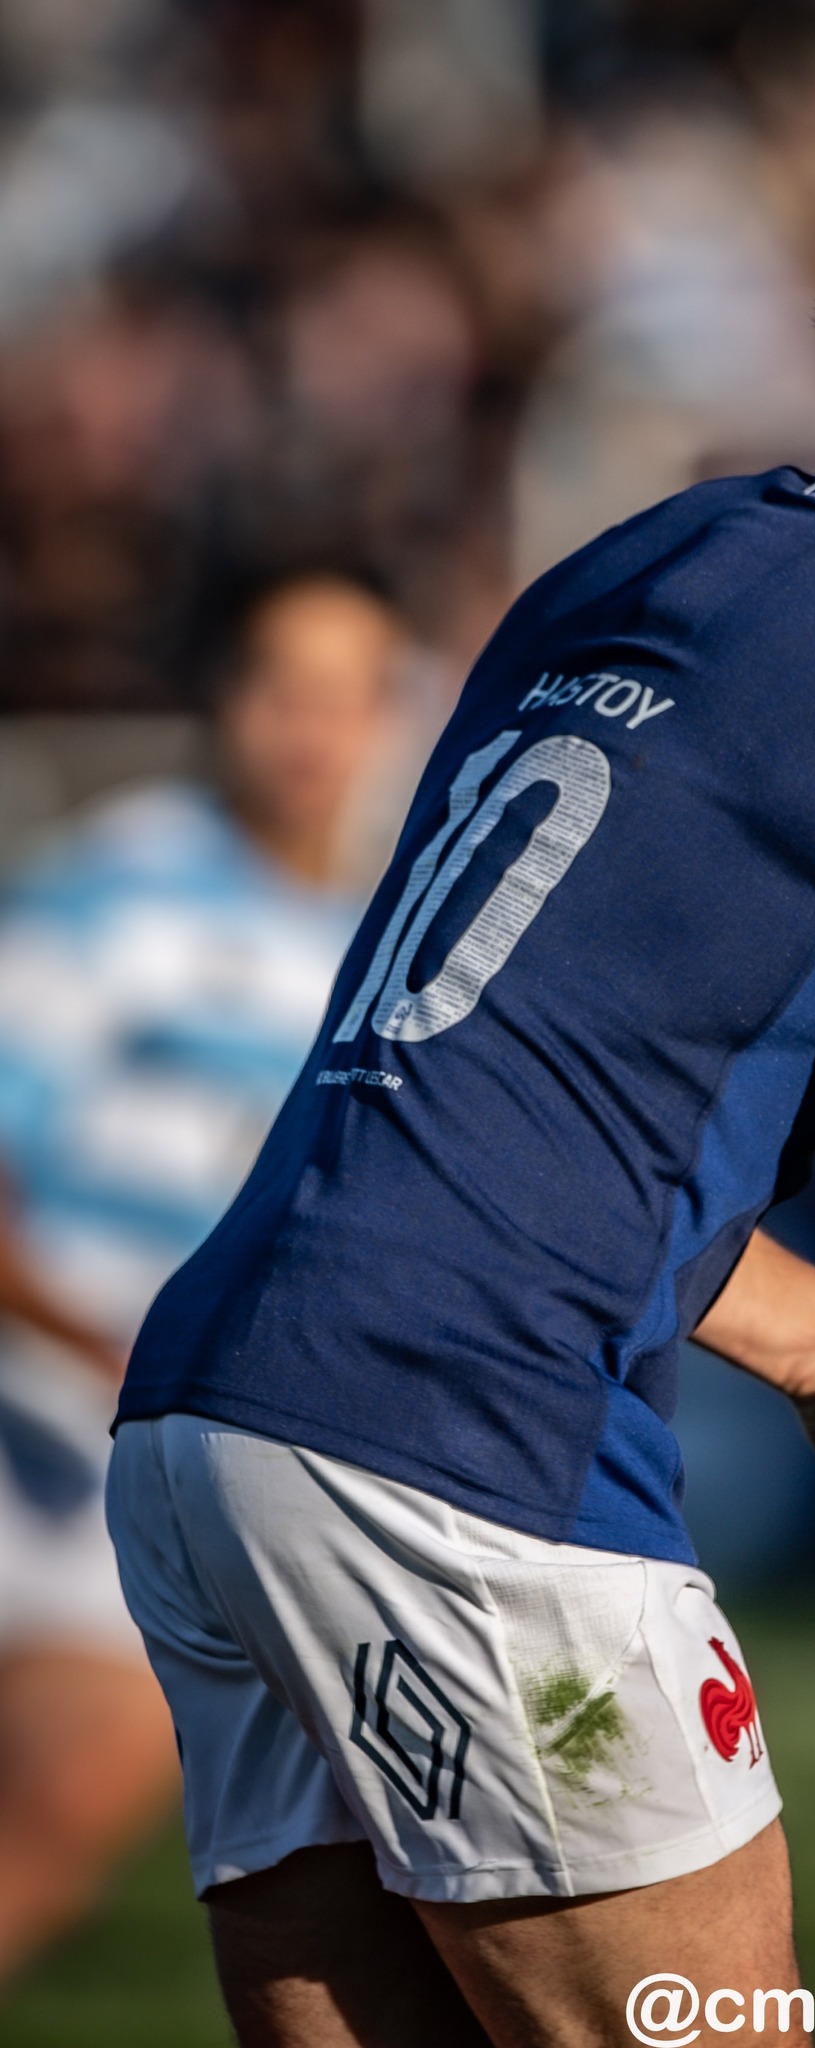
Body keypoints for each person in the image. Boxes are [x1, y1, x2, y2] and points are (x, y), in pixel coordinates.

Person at [107, 66, 815, 2048]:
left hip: (220, 1417)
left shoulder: (636, 565)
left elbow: (543, 1080)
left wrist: (809, 1346)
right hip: (470, 1446)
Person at [0, 568, 400, 1982]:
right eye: (283, 687)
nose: (313, 729)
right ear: (220, 701)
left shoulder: (378, 940)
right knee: (68, 1799)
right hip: (45, 1436)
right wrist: (90, 1340)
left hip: (186, 1459)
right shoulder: (111, 895)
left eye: (348, 695)